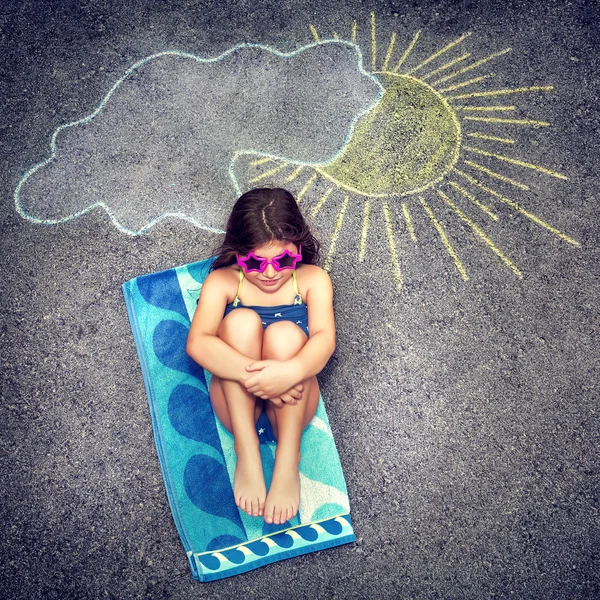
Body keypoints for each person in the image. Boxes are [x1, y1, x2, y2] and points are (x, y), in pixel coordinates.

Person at [186, 188, 336, 526]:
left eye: (283, 260)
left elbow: (325, 340)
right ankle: (248, 450)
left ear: (299, 247)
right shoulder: (223, 281)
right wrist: (260, 377)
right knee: (240, 322)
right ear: (237, 253)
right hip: (240, 407)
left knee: (285, 335)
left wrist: (290, 371)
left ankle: (286, 460)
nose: (270, 273)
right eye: (255, 262)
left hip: (292, 407)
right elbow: (198, 343)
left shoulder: (312, 280)